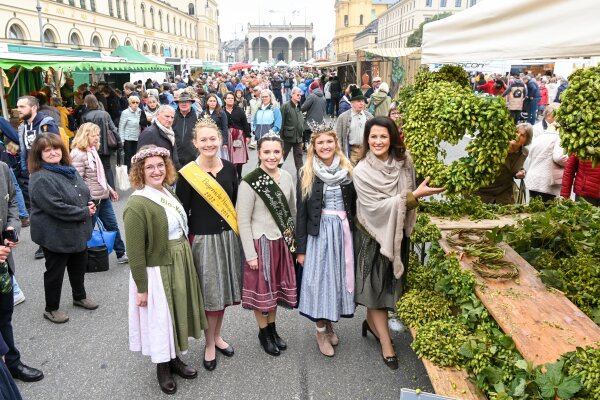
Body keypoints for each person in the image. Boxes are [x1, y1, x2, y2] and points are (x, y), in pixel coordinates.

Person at [353, 117, 443, 369]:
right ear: (366, 140)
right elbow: (374, 208)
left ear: (392, 137)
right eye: (373, 137)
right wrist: (412, 197)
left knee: (392, 286)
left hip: (397, 232)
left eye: (383, 136)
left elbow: (410, 191)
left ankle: (372, 325)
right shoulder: (361, 170)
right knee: (376, 289)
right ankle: (386, 342)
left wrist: (415, 194)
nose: (378, 141)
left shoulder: (405, 162)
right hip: (372, 235)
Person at [124, 145, 207, 394]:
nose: (156, 170)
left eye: (160, 165)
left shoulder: (168, 192)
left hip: (179, 258)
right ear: (140, 171)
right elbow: (135, 252)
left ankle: (175, 359)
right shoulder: (137, 204)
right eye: (149, 167)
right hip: (157, 267)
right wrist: (142, 288)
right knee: (161, 317)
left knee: (176, 312)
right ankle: (162, 367)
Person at [176, 116, 242, 371]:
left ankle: (217, 336)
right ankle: (209, 344)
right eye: (203, 139)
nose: (208, 143)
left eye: (212, 139)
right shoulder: (188, 174)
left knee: (222, 293)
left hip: (227, 238)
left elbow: (234, 203)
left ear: (220, 140)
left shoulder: (229, 168)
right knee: (209, 295)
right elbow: (181, 211)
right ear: (195, 142)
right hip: (202, 240)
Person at [296, 127, 356, 357]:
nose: (325, 146)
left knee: (337, 280)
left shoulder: (347, 169)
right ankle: (320, 331)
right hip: (319, 233)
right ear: (314, 146)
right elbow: (301, 212)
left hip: (342, 233)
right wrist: (301, 250)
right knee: (320, 282)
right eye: (319, 143)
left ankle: (329, 323)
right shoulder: (308, 171)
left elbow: (356, 206)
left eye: (329, 142)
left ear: (336, 144)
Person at [236, 135, 297, 357]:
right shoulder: (249, 181)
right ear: (259, 154)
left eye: (276, 152)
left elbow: (291, 212)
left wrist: (293, 245)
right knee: (263, 291)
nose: (272, 156)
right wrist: (250, 254)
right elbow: (242, 220)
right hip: (259, 243)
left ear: (282, 154)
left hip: (280, 242)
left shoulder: (288, 177)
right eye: (267, 152)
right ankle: (263, 333)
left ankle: (272, 329)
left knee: (275, 291)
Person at [28, 133, 99, 324]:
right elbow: (56, 207)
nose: (53, 153)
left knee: (78, 265)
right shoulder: (40, 178)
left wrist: (89, 202)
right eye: (47, 150)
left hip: (77, 230)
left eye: (56, 148)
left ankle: (79, 296)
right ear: (39, 154)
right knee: (55, 272)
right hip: (55, 234)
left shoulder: (68, 169)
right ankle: (51, 308)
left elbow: (82, 191)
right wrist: (85, 211)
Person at [0, 160, 44, 383]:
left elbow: (13, 206)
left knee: (4, 314)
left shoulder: (3, 168)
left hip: (3, 262)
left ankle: (12, 363)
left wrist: (11, 227)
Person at [70, 123, 128, 264]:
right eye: (93, 135)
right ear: (85, 135)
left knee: (112, 226)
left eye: (98, 134)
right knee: (86, 231)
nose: (97, 138)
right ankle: (79, 260)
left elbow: (98, 176)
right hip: (91, 200)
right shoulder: (78, 154)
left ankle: (121, 254)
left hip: (103, 197)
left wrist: (110, 189)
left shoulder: (92, 151)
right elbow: (76, 182)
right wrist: (87, 200)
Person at [16, 95, 60, 260]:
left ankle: (55, 241)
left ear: (33, 108)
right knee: (37, 210)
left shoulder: (46, 123)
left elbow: (57, 146)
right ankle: (44, 243)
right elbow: (24, 150)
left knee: (52, 206)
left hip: (49, 173)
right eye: (18, 107)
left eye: (22, 107)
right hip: (31, 174)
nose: (18, 110)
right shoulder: (22, 127)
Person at [475, 123, 532, 205]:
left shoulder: (524, 152)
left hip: (504, 192)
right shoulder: (497, 146)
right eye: (516, 132)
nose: (517, 136)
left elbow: (516, 167)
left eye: (522, 135)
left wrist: (521, 172)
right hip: (483, 190)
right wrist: (505, 151)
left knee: (506, 216)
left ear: (526, 140)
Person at [80, 94, 120, 189]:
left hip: (91, 146)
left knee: (94, 169)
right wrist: (119, 143)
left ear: (86, 103)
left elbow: (82, 133)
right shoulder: (105, 114)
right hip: (106, 145)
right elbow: (114, 129)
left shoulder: (85, 116)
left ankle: (100, 190)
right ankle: (112, 190)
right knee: (107, 167)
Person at [525, 123, 567, 202]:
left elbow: (529, 157)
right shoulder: (558, 138)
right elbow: (559, 157)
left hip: (533, 179)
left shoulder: (539, 138)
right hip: (546, 181)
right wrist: (570, 162)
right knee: (546, 208)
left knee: (534, 207)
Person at [335, 87, 374, 165]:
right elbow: (338, 138)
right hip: (352, 151)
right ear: (352, 102)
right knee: (352, 175)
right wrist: (340, 155)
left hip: (366, 151)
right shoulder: (343, 117)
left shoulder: (369, 116)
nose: (362, 103)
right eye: (359, 101)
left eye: (363, 101)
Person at [137, 105, 180, 170]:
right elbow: (141, 160)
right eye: (167, 116)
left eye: (172, 117)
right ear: (158, 115)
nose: (170, 120)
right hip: (157, 175)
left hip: (170, 174)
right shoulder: (149, 133)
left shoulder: (170, 132)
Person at [223, 92, 251, 180]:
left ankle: (239, 176)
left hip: (239, 136)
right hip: (227, 136)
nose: (230, 100)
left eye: (232, 98)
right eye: (228, 98)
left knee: (238, 158)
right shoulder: (221, 111)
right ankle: (232, 176)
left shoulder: (239, 110)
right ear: (225, 100)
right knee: (229, 158)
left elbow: (245, 123)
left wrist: (248, 136)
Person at [280, 87, 305, 173]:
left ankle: (301, 175)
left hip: (298, 137)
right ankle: (274, 172)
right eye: (297, 95)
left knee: (299, 157)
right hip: (287, 137)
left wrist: (302, 137)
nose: (299, 97)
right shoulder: (285, 106)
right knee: (281, 157)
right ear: (292, 94)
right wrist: (280, 138)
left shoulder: (299, 106)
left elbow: (300, 122)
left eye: (300, 95)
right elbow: (281, 122)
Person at [172, 92, 200, 166]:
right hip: (175, 157)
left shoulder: (198, 117)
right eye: (181, 102)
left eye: (186, 102)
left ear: (191, 103)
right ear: (178, 104)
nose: (183, 104)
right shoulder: (172, 116)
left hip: (193, 157)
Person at [119, 96, 144, 172]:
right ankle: (128, 173)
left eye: (137, 102)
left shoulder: (140, 111)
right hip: (128, 138)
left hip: (137, 137)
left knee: (136, 156)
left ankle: (135, 172)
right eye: (133, 102)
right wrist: (122, 140)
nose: (135, 104)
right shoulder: (125, 113)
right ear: (130, 103)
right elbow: (121, 127)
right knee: (128, 157)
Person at [301, 82, 327, 151]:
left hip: (311, 121)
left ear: (312, 88)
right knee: (317, 136)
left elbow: (303, 107)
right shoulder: (323, 96)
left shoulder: (312, 96)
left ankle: (308, 147)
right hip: (320, 121)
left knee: (307, 133)